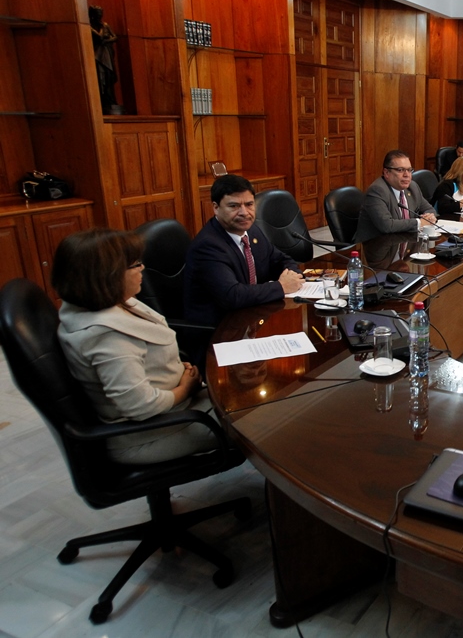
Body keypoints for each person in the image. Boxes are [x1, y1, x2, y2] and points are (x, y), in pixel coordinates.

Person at [52, 229, 221, 464]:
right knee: (262, 427)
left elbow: (143, 352)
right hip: (151, 433)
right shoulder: (106, 336)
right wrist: (186, 387)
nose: (143, 268)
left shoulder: (111, 302)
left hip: (175, 410)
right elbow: (140, 405)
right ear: (108, 276)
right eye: (135, 264)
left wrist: (167, 365)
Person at [184, 174, 303, 325]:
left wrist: (293, 275)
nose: (244, 212)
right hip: (219, 330)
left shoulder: (252, 231)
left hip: (250, 318)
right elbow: (233, 295)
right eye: (234, 206)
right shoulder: (208, 246)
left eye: (249, 204)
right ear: (215, 208)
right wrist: (280, 287)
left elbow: (280, 259)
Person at [354, 150, 438, 241]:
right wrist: (419, 222)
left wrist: (429, 217)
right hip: (376, 247)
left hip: (403, 242)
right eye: (400, 170)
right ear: (386, 173)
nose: (406, 175)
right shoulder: (377, 191)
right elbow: (387, 225)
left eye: (409, 170)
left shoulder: (413, 187)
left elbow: (430, 210)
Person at [89, 5, 118, 114]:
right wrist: (102, 31)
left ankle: (110, 99)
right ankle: (104, 101)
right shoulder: (90, 27)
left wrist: (107, 40)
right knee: (100, 77)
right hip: (97, 54)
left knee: (109, 76)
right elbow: (100, 36)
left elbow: (115, 37)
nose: (100, 17)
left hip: (106, 53)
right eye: (98, 14)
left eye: (101, 14)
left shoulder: (106, 25)